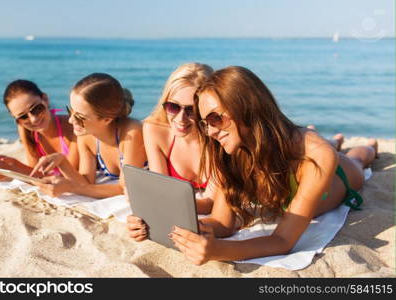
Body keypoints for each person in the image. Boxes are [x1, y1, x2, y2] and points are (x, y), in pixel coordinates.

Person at [169, 66, 378, 265]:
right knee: (320, 144)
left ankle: (369, 146)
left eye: (216, 118)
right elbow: (222, 223)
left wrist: (217, 251)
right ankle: (335, 140)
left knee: (358, 161)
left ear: (246, 106)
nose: (211, 131)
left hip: (338, 178)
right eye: (205, 123)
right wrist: (175, 229)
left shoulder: (318, 155)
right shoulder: (230, 150)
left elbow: (283, 241)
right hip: (289, 148)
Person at [127, 63, 214, 242]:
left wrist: (160, 206)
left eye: (191, 110)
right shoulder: (154, 130)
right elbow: (162, 190)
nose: (180, 118)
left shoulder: (217, 138)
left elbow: (212, 203)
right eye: (173, 107)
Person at [30, 73, 147, 199]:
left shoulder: (131, 133)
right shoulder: (86, 137)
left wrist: (70, 186)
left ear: (107, 119)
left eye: (80, 117)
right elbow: (86, 182)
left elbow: (125, 188)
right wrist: (62, 161)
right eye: (71, 111)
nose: (70, 120)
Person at [0, 80, 79, 182]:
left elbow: (70, 176)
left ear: (45, 99)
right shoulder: (26, 130)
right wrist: (9, 166)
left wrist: (13, 169)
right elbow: (37, 173)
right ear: (15, 118)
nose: (33, 119)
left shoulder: (71, 126)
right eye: (23, 116)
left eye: (36, 109)